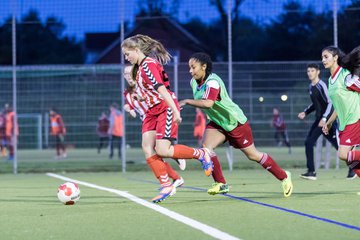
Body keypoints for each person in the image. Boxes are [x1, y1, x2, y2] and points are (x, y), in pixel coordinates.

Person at [179, 52, 293, 197]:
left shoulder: (213, 82)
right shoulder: (193, 82)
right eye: (189, 67)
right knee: (206, 148)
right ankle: (221, 183)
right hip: (218, 122)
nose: (190, 71)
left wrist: (187, 101)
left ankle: (284, 176)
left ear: (204, 66)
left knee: (253, 155)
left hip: (235, 122)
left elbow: (208, 103)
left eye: (193, 67)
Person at [121, 34, 212, 203]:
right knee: (147, 147)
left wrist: (175, 110)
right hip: (151, 110)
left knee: (162, 150)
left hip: (165, 107)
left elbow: (162, 90)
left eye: (127, 54)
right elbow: (151, 91)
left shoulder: (148, 65)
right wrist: (143, 98)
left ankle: (200, 154)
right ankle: (166, 185)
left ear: (136, 49)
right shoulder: (139, 68)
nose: (126, 58)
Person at [123, 65, 185, 187]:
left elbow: (161, 94)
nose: (128, 76)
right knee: (152, 152)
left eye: (130, 73)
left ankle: (177, 157)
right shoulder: (127, 92)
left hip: (157, 116)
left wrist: (173, 107)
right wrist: (129, 109)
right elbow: (129, 104)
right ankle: (175, 177)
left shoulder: (144, 85)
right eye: (125, 74)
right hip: (148, 120)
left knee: (156, 150)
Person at [297, 63, 355, 180]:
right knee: (309, 143)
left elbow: (330, 102)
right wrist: (306, 112)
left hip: (327, 121)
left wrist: (325, 119)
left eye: (312, 71)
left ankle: (353, 168)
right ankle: (311, 172)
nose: (310, 73)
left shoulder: (321, 85)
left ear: (318, 72)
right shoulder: (311, 87)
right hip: (319, 120)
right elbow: (315, 104)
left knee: (340, 147)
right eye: (308, 71)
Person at [321, 45, 360, 178]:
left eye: (326, 57)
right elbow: (338, 106)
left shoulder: (346, 76)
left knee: (343, 154)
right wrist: (329, 122)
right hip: (344, 123)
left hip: (354, 120)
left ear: (336, 57)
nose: (323, 60)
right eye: (322, 58)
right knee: (352, 161)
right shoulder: (331, 80)